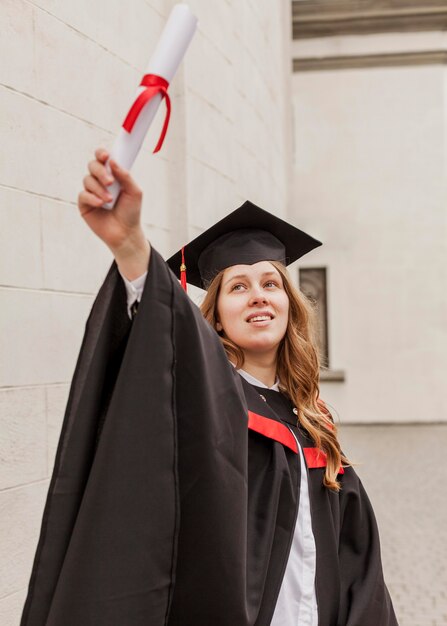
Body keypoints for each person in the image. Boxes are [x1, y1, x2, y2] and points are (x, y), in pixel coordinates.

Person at [21, 149, 398, 626]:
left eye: (270, 283)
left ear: (289, 303)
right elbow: (170, 342)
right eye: (237, 287)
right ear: (215, 316)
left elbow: (356, 555)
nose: (258, 295)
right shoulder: (208, 402)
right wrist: (132, 247)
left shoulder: (310, 418)